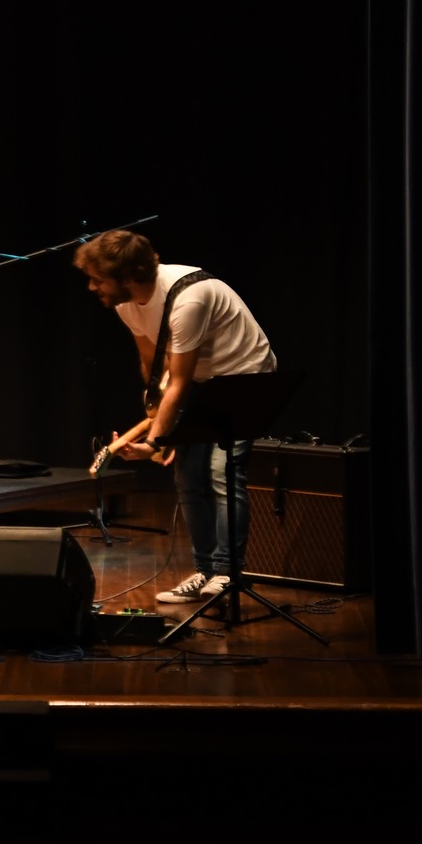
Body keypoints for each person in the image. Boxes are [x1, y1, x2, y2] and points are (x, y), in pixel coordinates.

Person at [74, 229, 277, 602]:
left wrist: (155, 442)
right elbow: (154, 369)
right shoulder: (126, 303)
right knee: (188, 477)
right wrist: (160, 423)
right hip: (202, 379)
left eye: (98, 279)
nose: (92, 287)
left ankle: (228, 572)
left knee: (221, 473)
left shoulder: (188, 299)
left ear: (128, 277)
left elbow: (180, 381)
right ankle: (204, 571)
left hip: (245, 376)